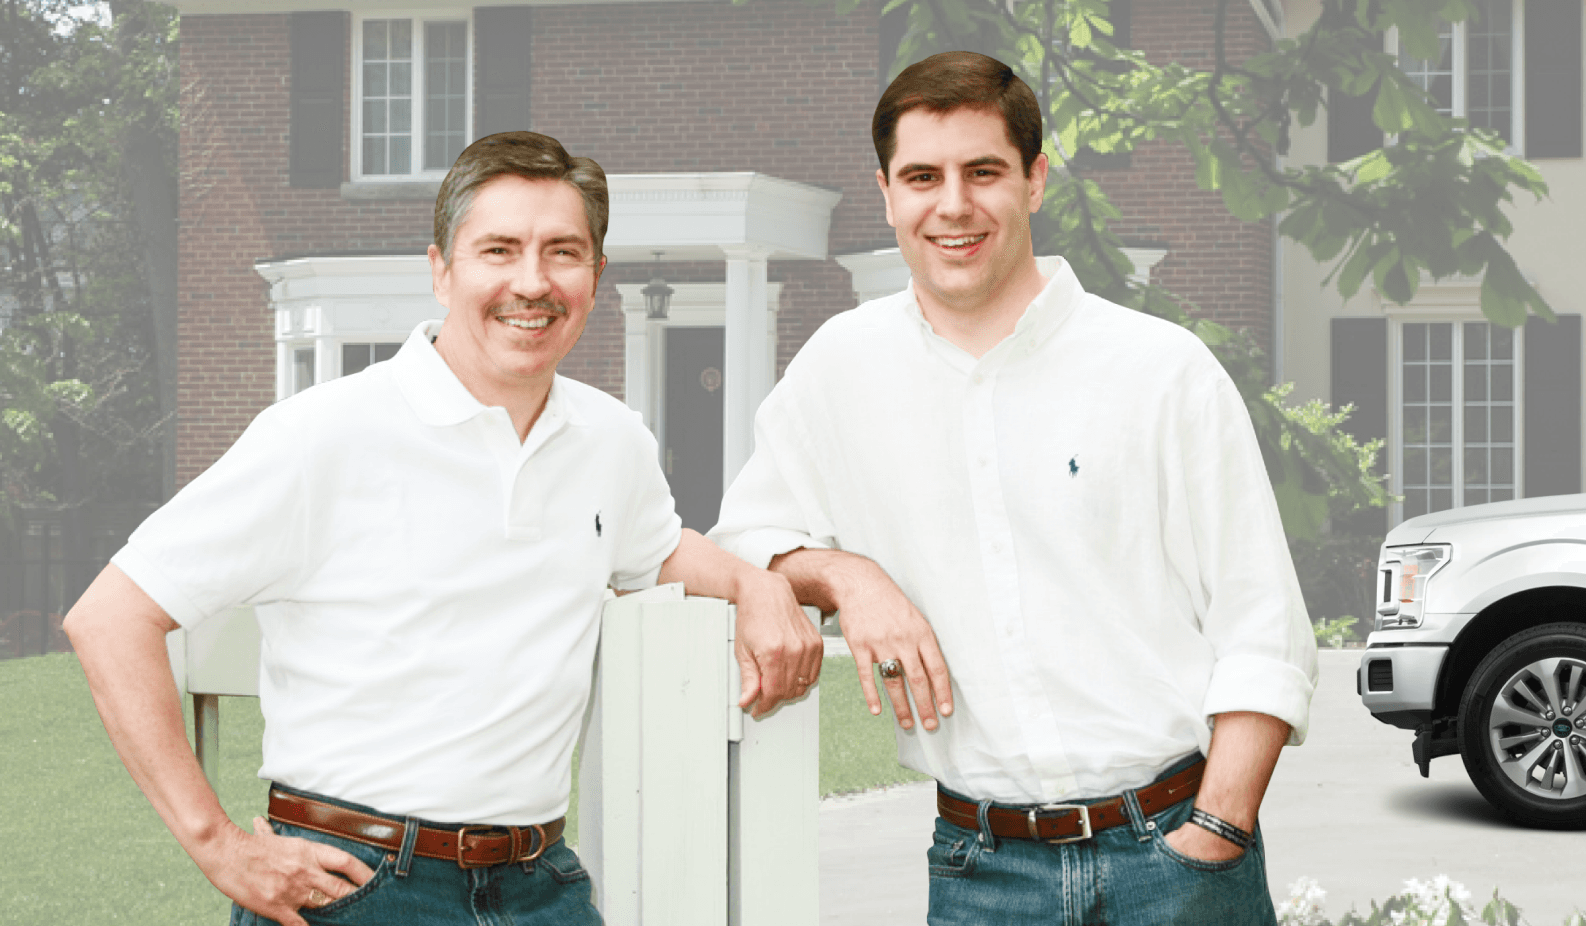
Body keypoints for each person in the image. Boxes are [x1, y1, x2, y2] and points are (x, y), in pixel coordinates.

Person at [63, 131, 822, 926]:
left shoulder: (610, 439)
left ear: (596, 276)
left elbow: (658, 549)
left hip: (541, 890)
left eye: (563, 252)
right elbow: (112, 617)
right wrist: (217, 843)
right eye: (499, 249)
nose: (532, 282)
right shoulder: (325, 434)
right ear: (441, 270)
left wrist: (755, 581)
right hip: (355, 888)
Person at [710, 51, 1317, 925]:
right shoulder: (842, 368)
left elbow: (1262, 623)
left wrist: (1215, 831)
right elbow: (745, 538)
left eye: (982, 171)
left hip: (1175, 850)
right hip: (981, 872)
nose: (952, 204)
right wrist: (849, 578)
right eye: (922, 176)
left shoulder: (1157, 369)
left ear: (1034, 180)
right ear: (886, 193)